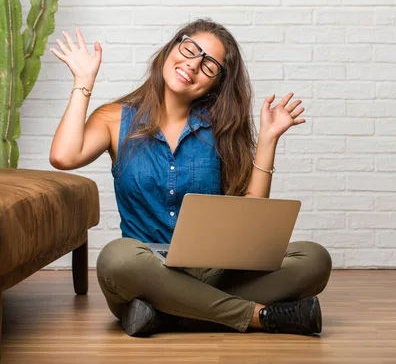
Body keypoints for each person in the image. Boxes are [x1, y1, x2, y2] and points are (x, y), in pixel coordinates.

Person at [49, 18, 332, 337]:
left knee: (314, 258)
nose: (193, 64)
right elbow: (64, 156)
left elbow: (251, 212)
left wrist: (268, 139)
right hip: (145, 270)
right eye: (190, 49)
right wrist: (83, 81)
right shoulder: (115, 119)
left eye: (209, 64)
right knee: (116, 258)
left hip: (211, 271)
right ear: (172, 47)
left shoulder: (221, 129)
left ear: (217, 82)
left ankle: (165, 314)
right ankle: (258, 315)